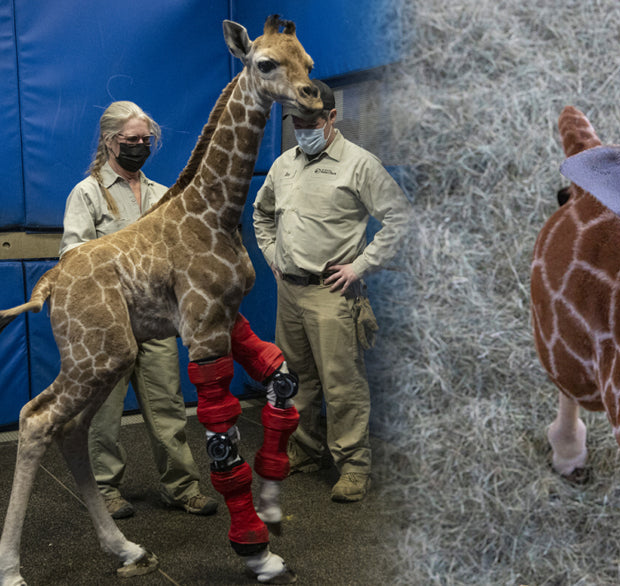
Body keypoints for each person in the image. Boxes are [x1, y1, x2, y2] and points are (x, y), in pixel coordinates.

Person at [253, 80, 409, 503]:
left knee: (342, 385)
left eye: (311, 121)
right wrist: (271, 254)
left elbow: (399, 217)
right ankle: (305, 451)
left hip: (332, 294)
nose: (303, 128)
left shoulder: (358, 164)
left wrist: (360, 266)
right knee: (295, 380)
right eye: (296, 121)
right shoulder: (284, 164)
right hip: (291, 292)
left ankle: (354, 466)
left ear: (331, 117)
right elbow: (262, 213)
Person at [62, 101, 218, 519]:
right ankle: (106, 492)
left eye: (144, 140)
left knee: (168, 406)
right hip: (107, 327)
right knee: (105, 415)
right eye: (130, 140)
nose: (138, 147)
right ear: (110, 141)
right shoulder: (87, 193)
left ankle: (181, 486)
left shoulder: (162, 195)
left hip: (156, 320)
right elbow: (72, 256)